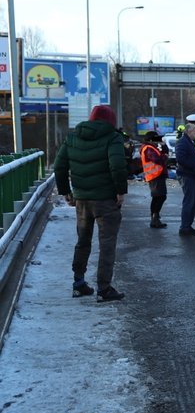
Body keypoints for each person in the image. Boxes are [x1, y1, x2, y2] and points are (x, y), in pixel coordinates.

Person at [52, 104, 128, 302]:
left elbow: (59, 167)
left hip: (82, 200)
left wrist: (65, 192)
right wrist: (121, 191)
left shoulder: (73, 137)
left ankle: (78, 284)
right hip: (106, 200)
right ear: (110, 120)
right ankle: (104, 289)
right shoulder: (113, 137)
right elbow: (117, 165)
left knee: (83, 242)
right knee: (107, 244)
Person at [175, 122, 195, 236]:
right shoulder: (183, 142)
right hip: (187, 175)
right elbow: (181, 159)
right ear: (189, 132)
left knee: (194, 201)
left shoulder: (189, 142)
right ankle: (185, 227)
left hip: (192, 175)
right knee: (189, 202)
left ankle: (188, 226)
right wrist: (194, 166)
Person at [140, 130, 169, 229]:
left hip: (157, 175)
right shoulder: (148, 148)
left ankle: (155, 217)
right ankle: (154, 218)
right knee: (160, 197)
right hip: (155, 175)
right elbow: (158, 159)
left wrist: (164, 146)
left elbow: (163, 155)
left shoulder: (152, 147)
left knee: (158, 197)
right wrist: (165, 157)